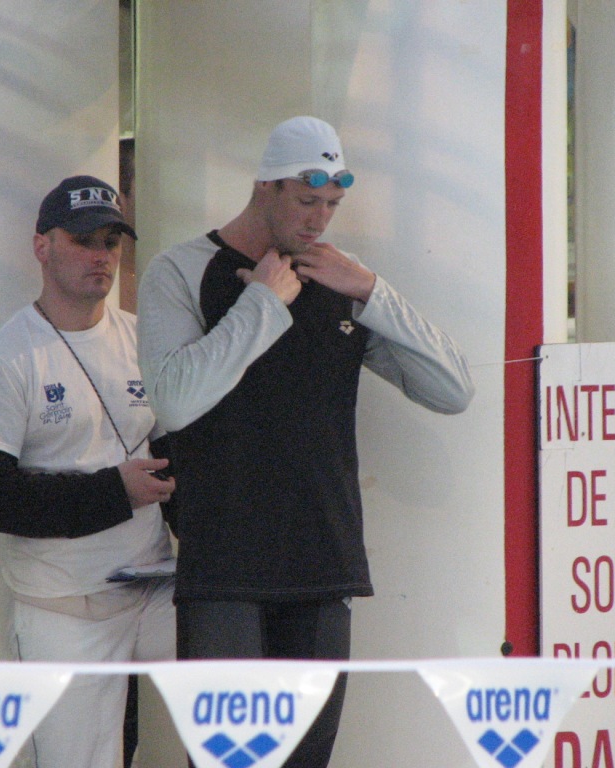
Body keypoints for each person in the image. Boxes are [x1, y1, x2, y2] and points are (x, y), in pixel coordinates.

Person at [137, 116, 475, 767]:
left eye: (331, 205)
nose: (320, 219)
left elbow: (453, 389)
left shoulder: (340, 283)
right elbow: (174, 400)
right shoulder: (181, 270)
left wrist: (374, 292)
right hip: (225, 571)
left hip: (323, 566)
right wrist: (263, 305)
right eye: (306, 200)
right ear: (265, 186)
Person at [0, 175, 176, 768]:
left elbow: (175, 455)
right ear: (42, 246)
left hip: (156, 589)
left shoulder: (143, 339)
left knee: (247, 686)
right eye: (82, 240)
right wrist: (116, 491)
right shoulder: (6, 356)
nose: (101, 255)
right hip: (63, 606)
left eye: (111, 241)